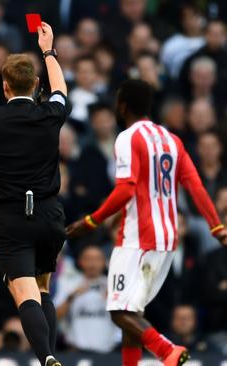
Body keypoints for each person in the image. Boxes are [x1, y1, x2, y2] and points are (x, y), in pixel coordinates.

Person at [66, 79, 227, 366]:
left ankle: (166, 351)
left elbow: (126, 188)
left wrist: (91, 221)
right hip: (167, 240)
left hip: (136, 239)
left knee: (119, 311)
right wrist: (217, 227)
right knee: (132, 314)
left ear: (123, 106)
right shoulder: (172, 140)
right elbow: (195, 186)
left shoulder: (127, 138)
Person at [0, 22, 68, 366]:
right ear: (35, 86)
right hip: (49, 216)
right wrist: (48, 50)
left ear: (4, 87)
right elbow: (61, 90)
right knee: (43, 286)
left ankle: (46, 356)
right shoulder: (49, 114)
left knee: (25, 293)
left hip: (11, 220)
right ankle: (52, 355)